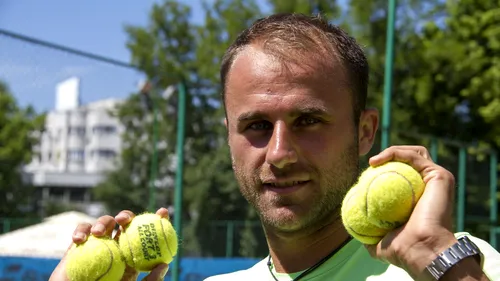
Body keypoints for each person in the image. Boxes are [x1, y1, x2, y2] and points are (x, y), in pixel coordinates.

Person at [50, 13, 500, 281]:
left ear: (365, 132)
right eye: (258, 126)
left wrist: (437, 259)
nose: (279, 153)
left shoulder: (458, 263)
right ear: (229, 138)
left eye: (308, 121)